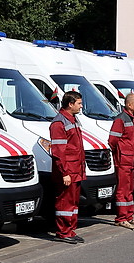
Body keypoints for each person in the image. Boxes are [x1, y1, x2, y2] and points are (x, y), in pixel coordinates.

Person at [50, 91, 86, 244]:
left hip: (76, 169)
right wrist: (64, 172)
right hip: (68, 170)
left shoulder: (73, 119)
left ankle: (71, 230)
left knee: (73, 202)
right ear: (70, 104)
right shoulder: (59, 123)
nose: (81, 106)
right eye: (79, 103)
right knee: (65, 201)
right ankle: (63, 232)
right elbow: (58, 152)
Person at [108, 93, 134, 230]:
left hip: (130, 159)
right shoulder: (120, 119)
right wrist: (121, 153)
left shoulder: (133, 118)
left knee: (130, 188)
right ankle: (121, 218)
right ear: (129, 105)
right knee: (122, 189)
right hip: (123, 160)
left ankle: (129, 216)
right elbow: (112, 141)